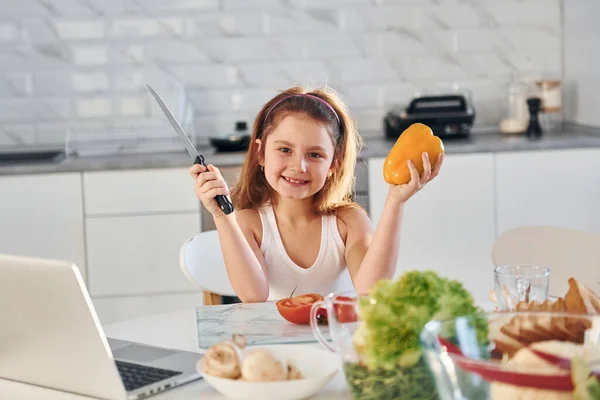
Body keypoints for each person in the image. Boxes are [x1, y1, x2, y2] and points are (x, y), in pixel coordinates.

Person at [190, 86, 443, 303]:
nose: (299, 166)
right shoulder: (249, 223)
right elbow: (253, 295)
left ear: (334, 163)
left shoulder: (348, 222)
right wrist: (222, 217)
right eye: (285, 149)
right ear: (260, 154)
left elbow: (371, 290)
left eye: (315, 155)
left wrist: (395, 202)